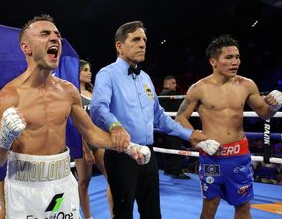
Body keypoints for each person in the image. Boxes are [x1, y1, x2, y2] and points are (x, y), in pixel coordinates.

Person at [0, 14, 149, 219]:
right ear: (26, 47)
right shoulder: (9, 96)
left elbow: (90, 133)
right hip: (24, 187)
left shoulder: (68, 91)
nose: (55, 38)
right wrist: (5, 138)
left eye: (57, 34)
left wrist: (129, 147)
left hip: (61, 183)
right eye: (45, 34)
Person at [89, 20, 214, 219]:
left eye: (144, 40)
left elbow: (159, 117)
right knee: (123, 213)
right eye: (136, 39)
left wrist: (190, 134)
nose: (142, 44)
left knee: (153, 213)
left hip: (149, 155)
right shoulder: (107, 74)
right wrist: (115, 126)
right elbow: (97, 108)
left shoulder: (146, 78)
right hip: (123, 154)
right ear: (119, 46)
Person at [175, 34, 282, 219]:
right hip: (211, 155)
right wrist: (199, 139)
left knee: (243, 207)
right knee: (209, 207)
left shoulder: (247, 85)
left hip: (239, 155)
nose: (235, 62)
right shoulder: (199, 88)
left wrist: (274, 106)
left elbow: (264, 113)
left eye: (237, 57)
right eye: (229, 57)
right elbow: (180, 118)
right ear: (213, 61)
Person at [75, 59, 113, 219]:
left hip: (98, 140)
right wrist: (86, 150)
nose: (89, 73)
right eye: (85, 70)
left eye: (90, 70)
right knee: (84, 182)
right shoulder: (73, 93)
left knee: (112, 178)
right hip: (82, 142)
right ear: (77, 73)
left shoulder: (93, 93)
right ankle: (88, 217)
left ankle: (114, 215)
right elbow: (76, 124)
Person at [158, 75, 191, 179]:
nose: (175, 85)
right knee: (175, 147)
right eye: (173, 83)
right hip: (173, 125)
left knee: (168, 148)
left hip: (164, 126)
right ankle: (177, 171)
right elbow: (181, 108)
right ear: (166, 84)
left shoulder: (161, 94)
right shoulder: (171, 94)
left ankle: (168, 169)